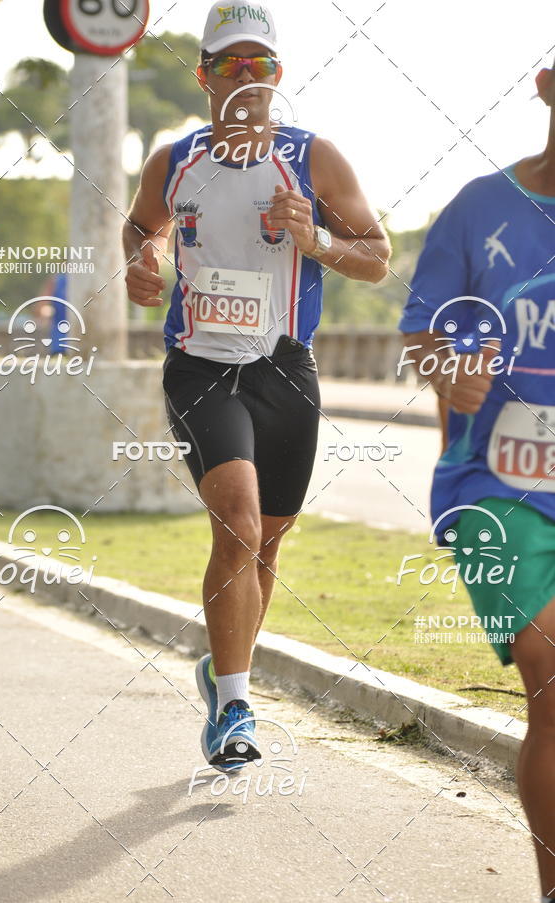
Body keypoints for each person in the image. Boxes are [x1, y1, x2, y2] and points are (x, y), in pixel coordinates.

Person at [123, 1, 390, 772]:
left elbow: (376, 255)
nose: (248, 78)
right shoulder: (174, 161)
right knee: (236, 522)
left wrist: (317, 239)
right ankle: (236, 703)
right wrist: (143, 262)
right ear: (203, 74)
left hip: (285, 369)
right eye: (231, 64)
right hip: (201, 366)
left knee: (267, 540)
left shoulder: (315, 159)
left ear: (279, 77)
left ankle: (220, 668)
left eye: (261, 65)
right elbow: (143, 228)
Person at [400, 57, 555, 903]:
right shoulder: (479, 208)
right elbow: (421, 333)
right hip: (494, 484)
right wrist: (446, 369)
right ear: (545, 85)